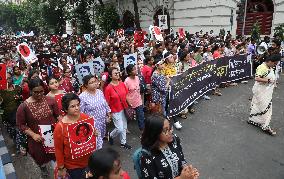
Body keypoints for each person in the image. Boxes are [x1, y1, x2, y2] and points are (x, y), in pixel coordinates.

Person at [16, 78, 59, 177]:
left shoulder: (51, 100)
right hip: (37, 140)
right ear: (30, 91)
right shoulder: (23, 107)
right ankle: (43, 169)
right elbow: (21, 125)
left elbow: (57, 116)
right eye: (36, 92)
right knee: (41, 159)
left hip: (53, 137)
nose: (39, 94)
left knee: (56, 158)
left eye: (41, 91)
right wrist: (33, 134)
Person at [54, 93, 97, 179]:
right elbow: (58, 149)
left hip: (89, 162)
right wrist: (61, 168)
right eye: (72, 106)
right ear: (66, 109)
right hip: (73, 167)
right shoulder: (60, 127)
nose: (77, 108)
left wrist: (94, 133)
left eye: (78, 105)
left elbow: (90, 135)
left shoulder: (85, 118)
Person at [248, 54, 281, 136]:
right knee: (267, 108)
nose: (275, 65)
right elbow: (257, 78)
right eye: (274, 64)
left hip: (265, 90)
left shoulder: (269, 67)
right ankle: (265, 126)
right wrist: (269, 80)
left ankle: (254, 120)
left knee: (259, 106)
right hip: (260, 90)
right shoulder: (262, 67)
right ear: (270, 61)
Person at [80, 74, 111, 149]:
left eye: (95, 81)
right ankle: (97, 158)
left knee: (101, 138)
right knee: (97, 143)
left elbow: (105, 103)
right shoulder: (82, 96)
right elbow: (81, 113)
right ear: (86, 85)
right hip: (92, 124)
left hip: (102, 121)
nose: (94, 83)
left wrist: (109, 112)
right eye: (91, 82)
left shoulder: (99, 92)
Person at [104, 67, 132, 150]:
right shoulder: (108, 88)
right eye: (115, 73)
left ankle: (123, 142)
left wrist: (129, 104)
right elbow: (106, 102)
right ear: (110, 76)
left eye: (118, 72)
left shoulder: (122, 83)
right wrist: (109, 113)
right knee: (119, 128)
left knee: (124, 126)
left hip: (124, 108)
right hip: (115, 110)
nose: (118, 74)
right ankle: (111, 135)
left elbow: (126, 95)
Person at [125, 64, 145, 132]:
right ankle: (125, 127)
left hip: (138, 101)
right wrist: (129, 103)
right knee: (129, 118)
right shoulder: (126, 81)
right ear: (129, 72)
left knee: (141, 117)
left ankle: (142, 132)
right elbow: (125, 94)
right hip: (130, 103)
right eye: (133, 69)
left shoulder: (137, 77)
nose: (136, 70)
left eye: (135, 68)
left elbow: (138, 89)